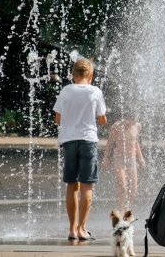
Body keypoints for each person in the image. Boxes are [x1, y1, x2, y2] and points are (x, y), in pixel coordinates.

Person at [53, 58, 107, 241]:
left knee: (71, 184)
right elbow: (102, 119)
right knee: (87, 185)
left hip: (69, 141)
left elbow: (57, 119)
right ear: (90, 75)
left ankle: (71, 229)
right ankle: (82, 228)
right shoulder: (95, 92)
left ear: (73, 75)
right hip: (88, 141)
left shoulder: (66, 90)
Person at [102, 117, 146, 211]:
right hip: (119, 159)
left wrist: (141, 158)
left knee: (134, 188)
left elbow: (136, 143)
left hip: (132, 159)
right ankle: (121, 211)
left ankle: (129, 211)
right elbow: (110, 143)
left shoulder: (137, 126)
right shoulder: (117, 126)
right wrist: (106, 158)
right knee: (122, 186)